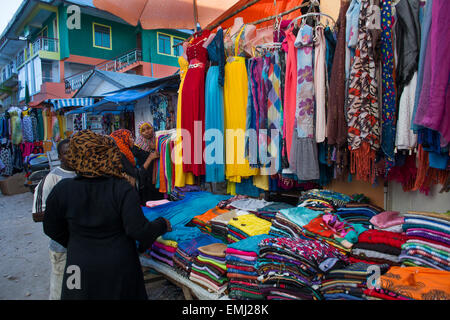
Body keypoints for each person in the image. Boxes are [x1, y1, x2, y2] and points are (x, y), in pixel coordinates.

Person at [43, 130, 171, 300]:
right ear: (107, 154)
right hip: (119, 266)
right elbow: (138, 230)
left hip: (78, 266)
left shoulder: (63, 190)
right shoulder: (121, 188)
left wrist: (78, 243)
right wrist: (161, 224)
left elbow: (51, 227)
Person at [32, 138, 76, 300]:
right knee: (60, 288)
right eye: (66, 153)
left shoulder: (84, 174)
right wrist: (66, 214)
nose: (70, 156)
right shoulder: (52, 178)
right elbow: (37, 215)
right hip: (62, 246)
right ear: (59, 156)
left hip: (81, 245)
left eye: (73, 151)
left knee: (75, 284)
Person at [110, 128, 163, 205]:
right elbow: (136, 174)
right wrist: (150, 158)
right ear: (123, 140)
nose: (133, 140)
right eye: (130, 137)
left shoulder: (125, 153)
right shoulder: (120, 156)